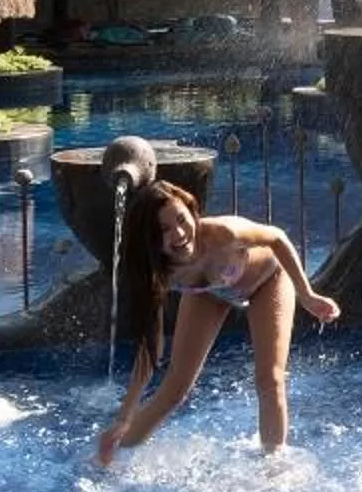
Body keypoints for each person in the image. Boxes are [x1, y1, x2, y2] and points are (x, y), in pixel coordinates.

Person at [94, 180, 340, 464]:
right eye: (164, 229)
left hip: (267, 281)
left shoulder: (224, 234)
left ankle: (274, 465)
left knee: (269, 378)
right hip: (209, 293)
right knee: (174, 390)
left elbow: (276, 238)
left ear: (192, 211)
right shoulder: (157, 271)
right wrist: (124, 416)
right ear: (151, 238)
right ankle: (110, 458)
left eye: (182, 219)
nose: (179, 234)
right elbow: (149, 348)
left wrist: (306, 294)